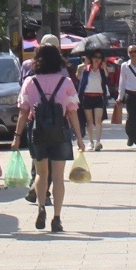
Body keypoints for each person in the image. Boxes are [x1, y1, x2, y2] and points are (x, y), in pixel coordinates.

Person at [13, 43, 84, 233]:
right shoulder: (66, 82)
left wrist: (17, 137)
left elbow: (23, 112)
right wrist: (79, 138)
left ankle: (41, 207)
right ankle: (57, 218)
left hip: (37, 133)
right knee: (58, 177)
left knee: (41, 174)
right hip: (60, 132)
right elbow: (73, 112)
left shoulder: (30, 82)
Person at [77, 51, 111, 151]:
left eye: (99, 58)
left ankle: (98, 142)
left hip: (99, 97)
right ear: (91, 58)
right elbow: (81, 85)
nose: (97, 59)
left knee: (98, 120)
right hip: (87, 97)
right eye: (95, 57)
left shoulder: (102, 70)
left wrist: (105, 69)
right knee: (89, 121)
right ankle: (90, 142)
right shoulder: (86, 69)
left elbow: (107, 81)